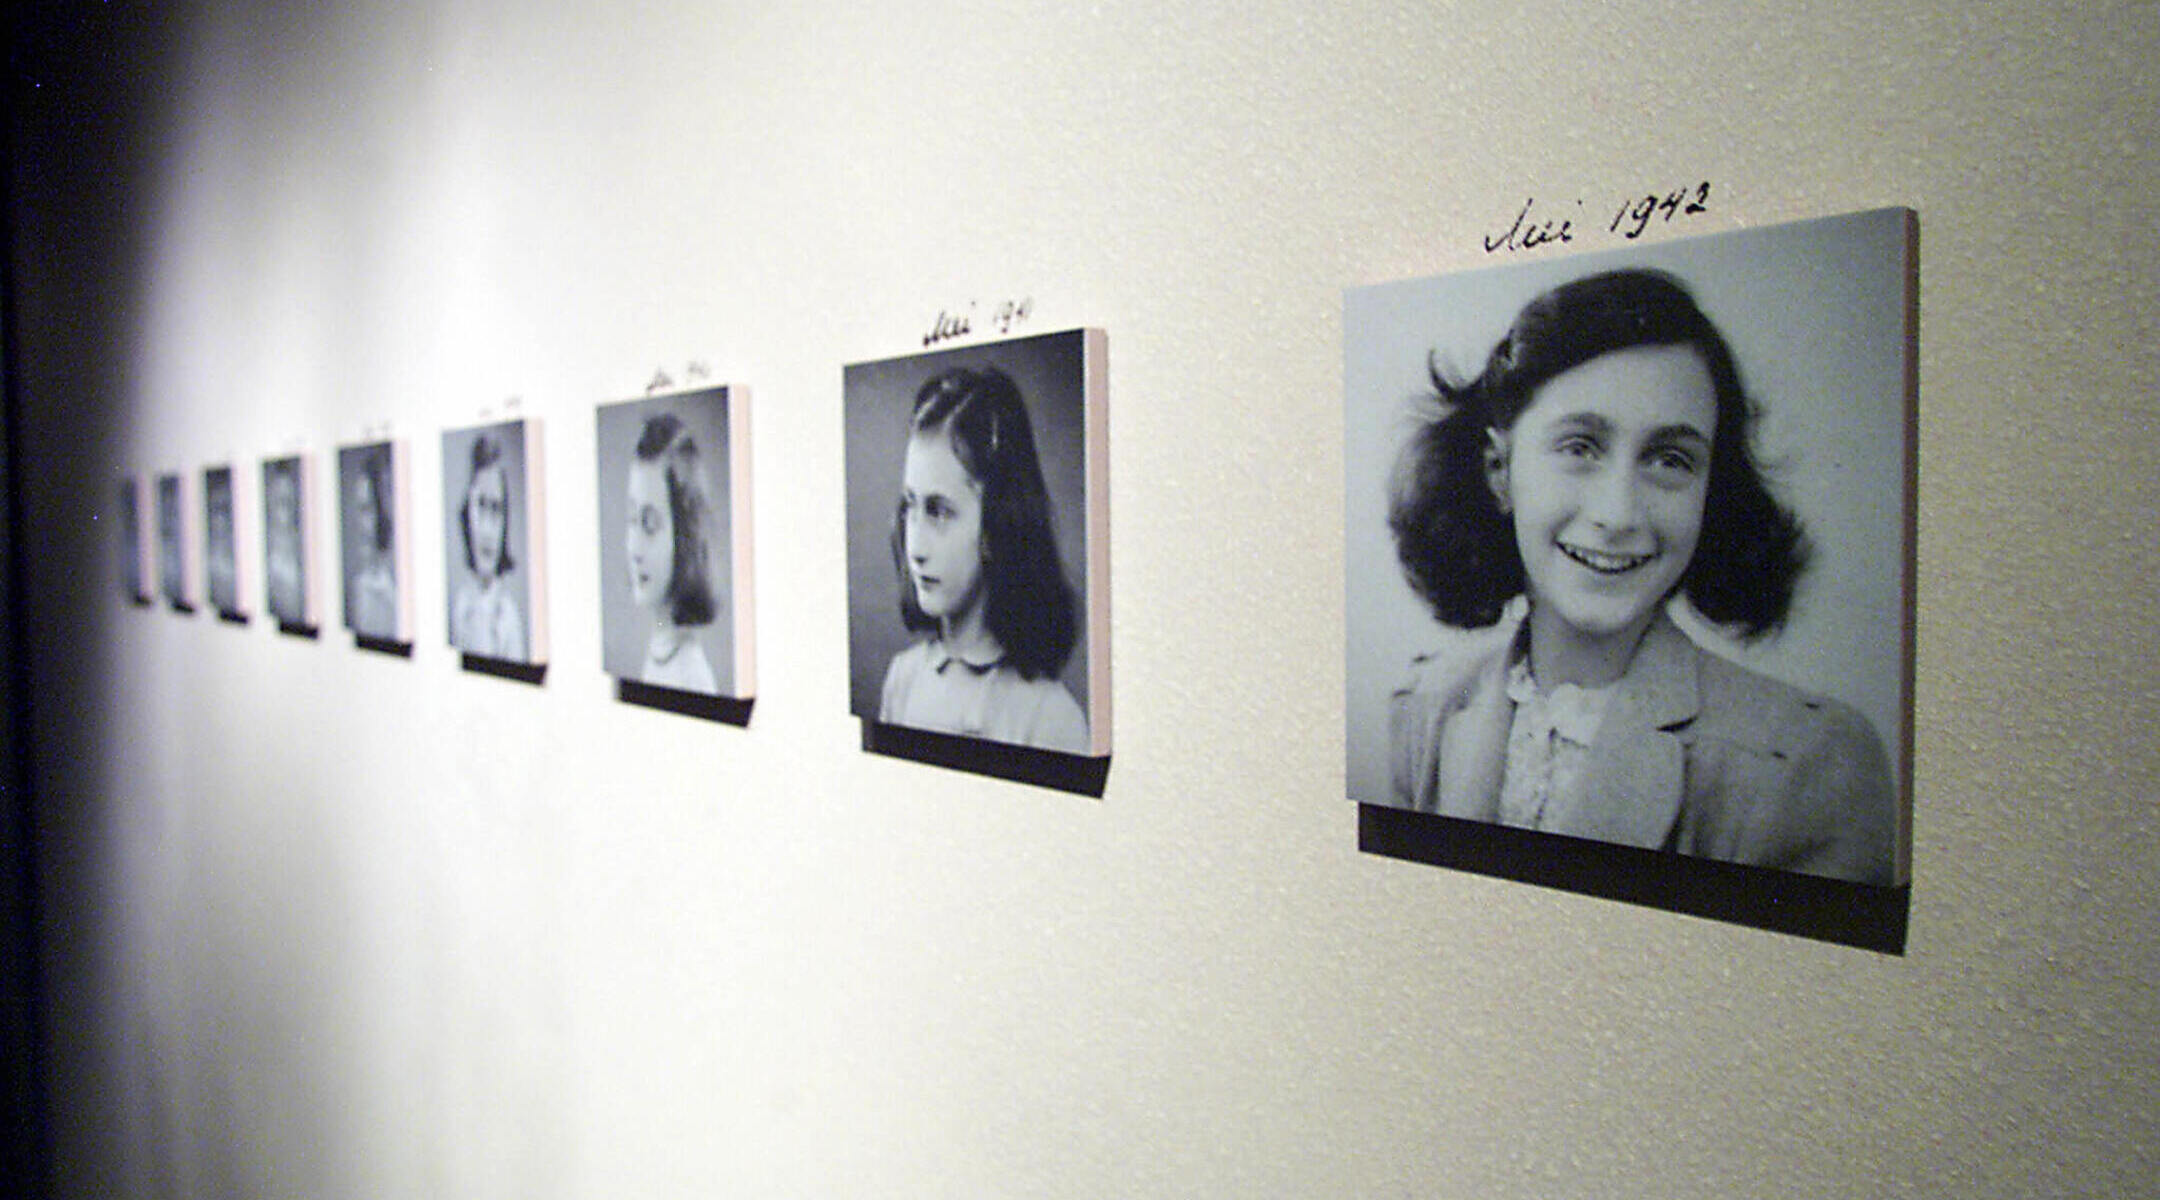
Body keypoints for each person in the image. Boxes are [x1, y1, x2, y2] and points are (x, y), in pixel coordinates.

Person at [1386, 269, 1895, 885]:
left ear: (1710, 494)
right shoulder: (1426, 711)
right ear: (1499, 472)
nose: (1618, 514)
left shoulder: (1810, 762)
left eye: (1669, 460)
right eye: (1580, 447)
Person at [877, 366, 1089, 753]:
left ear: (996, 526)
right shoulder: (902, 680)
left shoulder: (1050, 718)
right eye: (911, 506)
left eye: (940, 511)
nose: (916, 548)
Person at [624, 413, 721, 693]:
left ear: (684, 536)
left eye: (650, 524)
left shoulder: (692, 675)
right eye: (632, 520)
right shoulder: (659, 649)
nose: (634, 548)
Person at [449, 433, 527, 660]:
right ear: (467, 513)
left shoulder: (507, 618)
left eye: (496, 510)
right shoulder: (461, 605)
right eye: (481, 507)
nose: (488, 530)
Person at [345, 446, 399, 639]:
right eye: (359, 510)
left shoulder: (398, 593)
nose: (359, 523)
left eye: (366, 509)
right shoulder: (362, 587)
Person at [264, 459, 306, 626]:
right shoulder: (266, 556)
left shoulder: (303, 555)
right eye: (281, 503)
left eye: (290, 503)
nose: (286, 516)